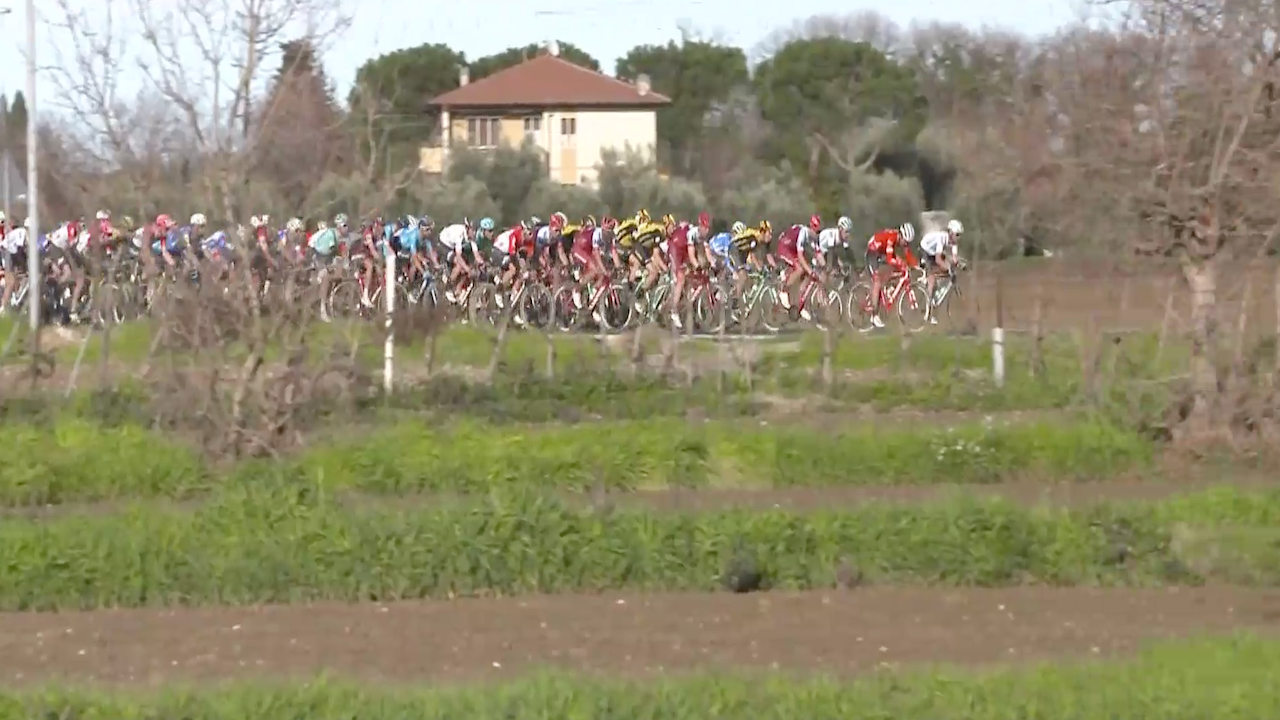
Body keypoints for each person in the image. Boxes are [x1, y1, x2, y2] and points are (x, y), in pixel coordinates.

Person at [865, 222, 916, 329]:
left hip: (881, 252)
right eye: (905, 241)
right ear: (901, 236)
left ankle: (888, 287)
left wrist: (916, 266)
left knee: (896, 268)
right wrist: (901, 264)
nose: (905, 244)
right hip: (872, 252)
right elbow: (889, 258)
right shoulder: (892, 238)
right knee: (877, 280)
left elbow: (908, 255)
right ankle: (874, 315)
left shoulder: (902, 239)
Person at [919, 219, 964, 324]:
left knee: (947, 267)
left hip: (934, 252)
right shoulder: (941, 238)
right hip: (925, 250)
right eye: (957, 235)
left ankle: (933, 286)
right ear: (951, 233)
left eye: (960, 235)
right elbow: (938, 260)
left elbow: (954, 259)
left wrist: (961, 265)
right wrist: (948, 268)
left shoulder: (953, 243)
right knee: (932, 280)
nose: (958, 238)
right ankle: (928, 312)